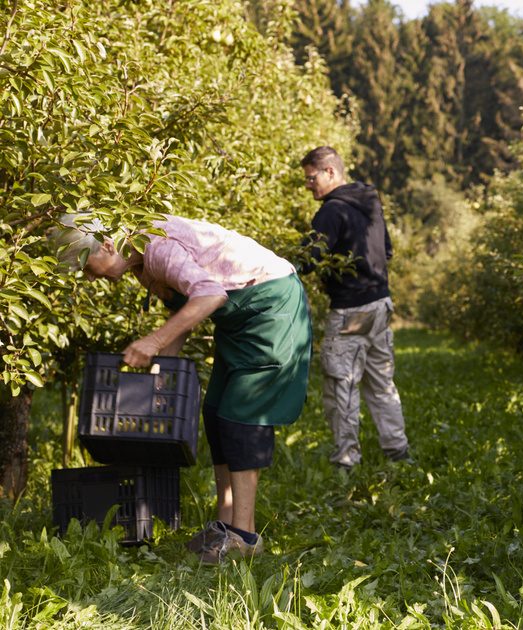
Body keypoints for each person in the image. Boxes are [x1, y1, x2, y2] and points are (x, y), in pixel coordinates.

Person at [54, 213, 312, 566]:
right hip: (242, 318)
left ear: (108, 245)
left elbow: (208, 297)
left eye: (87, 265)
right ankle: (227, 522)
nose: (89, 275)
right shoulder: (141, 263)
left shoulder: (156, 248)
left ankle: (246, 536)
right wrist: (163, 372)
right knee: (215, 410)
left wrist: (154, 341)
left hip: (270, 307)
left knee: (241, 415)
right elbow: (187, 313)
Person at [298, 146, 411, 468]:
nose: (308, 186)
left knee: (341, 384)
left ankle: (346, 462)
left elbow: (308, 259)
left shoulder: (332, 211)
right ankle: (398, 452)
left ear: (330, 172)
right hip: (381, 304)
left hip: (351, 311)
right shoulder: (371, 203)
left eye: (311, 178)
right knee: (380, 380)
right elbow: (386, 251)